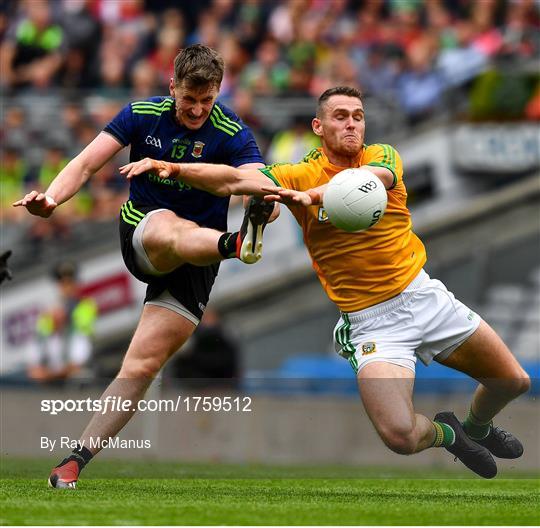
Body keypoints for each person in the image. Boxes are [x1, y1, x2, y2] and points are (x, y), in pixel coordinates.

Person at [122, 86, 530, 479]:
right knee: (400, 436)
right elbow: (233, 181)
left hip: (422, 296)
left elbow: (369, 180)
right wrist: (174, 168)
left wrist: (312, 198)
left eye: (358, 117)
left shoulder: (382, 156)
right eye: (340, 117)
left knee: (513, 381)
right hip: (373, 323)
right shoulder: (296, 174)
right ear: (319, 126)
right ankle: (449, 433)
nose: (352, 125)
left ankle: (477, 427)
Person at [14, 44, 276, 489]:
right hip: (144, 234)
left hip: (199, 259)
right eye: (188, 98)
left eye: (206, 100)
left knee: (141, 365)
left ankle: (75, 460)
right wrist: (53, 198)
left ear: (218, 92)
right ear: (172, 86)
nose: (196, 109)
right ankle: (236, 244)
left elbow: (257, 182)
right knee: (168, 227)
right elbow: (86, 163)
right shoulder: (141, 114)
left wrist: (264, 206)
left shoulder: (232, 132)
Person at [27, 261, 97, 383]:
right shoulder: (50, 310)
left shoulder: (86, 305)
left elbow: (83, 330)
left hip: (76, 359)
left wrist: (64, 316)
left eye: (70, 283)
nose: (67, 288)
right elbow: (42, 335)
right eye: (63, 284)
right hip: (54, 361)